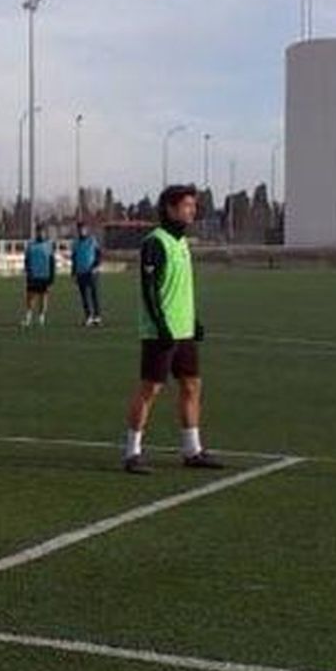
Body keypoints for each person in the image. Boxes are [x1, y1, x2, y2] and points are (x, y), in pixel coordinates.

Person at [122, 184, 224, 474]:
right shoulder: (155, 242)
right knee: (150, 388)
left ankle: (192, 450)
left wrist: (192, 321)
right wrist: (161, 325)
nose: (192, 210)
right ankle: (132, 453)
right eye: (187, 205)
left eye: (193, 205)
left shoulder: (182, 243)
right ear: (170, 208)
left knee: (192, 385)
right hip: (160, 332)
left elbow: (179, 289)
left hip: (183, 331)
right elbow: (150, 289)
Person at [21, 226, 56, 327]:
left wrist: (52, 276)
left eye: (42, 232)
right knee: (30, 297)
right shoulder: (31, 245)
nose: (40, 234)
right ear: (36, 233)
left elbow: (52, 262)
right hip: (33, 275)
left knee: (43, 297)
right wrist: (28, 272)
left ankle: (41, 318)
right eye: (38, 232)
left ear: (45, 233)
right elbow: (26, 260)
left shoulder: (48, 245)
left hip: (45, 275)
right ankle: (28, 318)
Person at [71, 220, 103, 326]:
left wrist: (96, 266)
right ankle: (88, 316)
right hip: (81, 272)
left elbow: (99, 255)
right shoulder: (75, 243)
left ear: (86, 229)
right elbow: (74, 259)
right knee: (84, 296)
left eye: (83, 229)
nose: (81, 231)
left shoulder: (92, 240)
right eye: (80, 229)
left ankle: (97, 316)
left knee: (94, 294)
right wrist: (73, 272)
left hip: (92, 272)